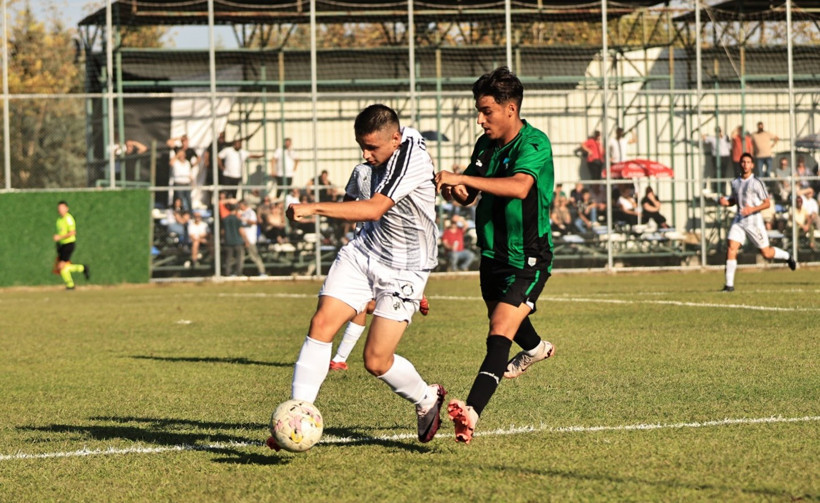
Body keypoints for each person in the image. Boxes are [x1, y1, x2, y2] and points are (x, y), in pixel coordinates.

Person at [268, 104, 444, 451]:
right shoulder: (381, 152)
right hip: (365, 251)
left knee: (376, 360)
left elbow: (374, 208)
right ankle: (297, 417)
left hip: (406, 266)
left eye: (371, 148)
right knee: (321, 325)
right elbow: (356, 208)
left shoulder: (412, 158)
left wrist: (314, 207)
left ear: (395, 139)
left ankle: (426, 397)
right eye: (360, 146)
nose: (365, 155)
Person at [433, 66, 555, 444]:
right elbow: (468, 195)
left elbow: (519, 188)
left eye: (486, 111)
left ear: (511, 109)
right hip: (492, 254)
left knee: (499, 331)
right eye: (479, 111)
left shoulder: (534, 143)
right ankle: (536, 349)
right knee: (510, 325)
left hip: (528, 255)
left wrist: (464, 179)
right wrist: (450, 186)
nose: (481, 118)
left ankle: (471, 411)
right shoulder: (484, 145)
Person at [328, 161, 431, 372]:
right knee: (362, 304)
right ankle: (339, 359)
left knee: (363, 303)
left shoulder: (401, 170)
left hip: (388, 241)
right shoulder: (359, 170)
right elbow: (348, 200)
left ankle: (412, 292)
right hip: (363, 239)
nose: (368, 152)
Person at [719, 153, 796, 292]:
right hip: (739, 220)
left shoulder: (756, 183)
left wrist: (752, 209)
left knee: (766, 253)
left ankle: (787, 256)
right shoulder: (735, 182)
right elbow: (734, 200)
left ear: (752, 165)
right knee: (731, 247)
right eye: (743, 162)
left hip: (754, 222)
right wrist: (726, 202)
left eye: (748, 162)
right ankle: (729, 285)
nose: (745, 164)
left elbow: (767, 203)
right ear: (740, 164)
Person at [53, 201, 89, 290]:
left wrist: (60, 237)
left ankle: (70, 285)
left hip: (69, 244)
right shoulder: (59, 220)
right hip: (62, 245)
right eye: (59, 208)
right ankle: (82, 268)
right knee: (61, 267)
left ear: (67, 208)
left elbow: (72, 232)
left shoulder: (68, 218)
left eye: (62, 208)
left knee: (62, 266)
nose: (60, 210)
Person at [238, 199, 267, 277]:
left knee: (254, 256)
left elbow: (254, 222)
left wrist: (245, 220)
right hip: (242, 238)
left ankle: (262, 272)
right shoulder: (241, 213)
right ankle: (239, 273)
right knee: (240, 256)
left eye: (240, 205)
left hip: (250, 238)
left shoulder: (251, 212)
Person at [221, 203, 246, 276]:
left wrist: (224, 238)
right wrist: (246, 240)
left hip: (228, 241)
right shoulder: (237, 219)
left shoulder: (225, 219)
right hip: (237, 241)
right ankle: (238, 273)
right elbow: (241, 230)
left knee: (228, 259)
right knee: (239, 258)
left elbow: (223, 232)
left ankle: (227, 273)